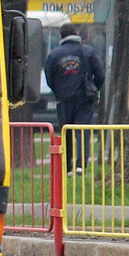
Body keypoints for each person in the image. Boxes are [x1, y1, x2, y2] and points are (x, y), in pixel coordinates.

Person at [44, 23, 105, 175]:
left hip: (64, 99)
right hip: (85, 98)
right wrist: (94, 88)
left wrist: (58, 91)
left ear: (61, 36)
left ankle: (68, 166)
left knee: (66, 132)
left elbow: (49, 78)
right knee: (82, 131)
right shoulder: (88, 51)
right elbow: (101, 75)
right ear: (76, 33)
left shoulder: (54, 55)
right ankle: (81, 165)